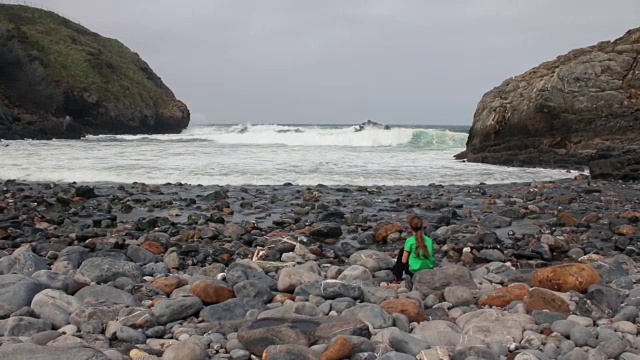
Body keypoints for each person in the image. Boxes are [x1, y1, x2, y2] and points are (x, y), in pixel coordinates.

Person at [391, 214, 435, 283]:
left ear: (410, 227)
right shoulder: (429, 240)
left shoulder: (410, 241)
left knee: (403, 251)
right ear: (422, 226)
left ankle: (397, 277)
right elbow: (431, 254)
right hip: (428, 268)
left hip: (413, 270)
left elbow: (404, 261)